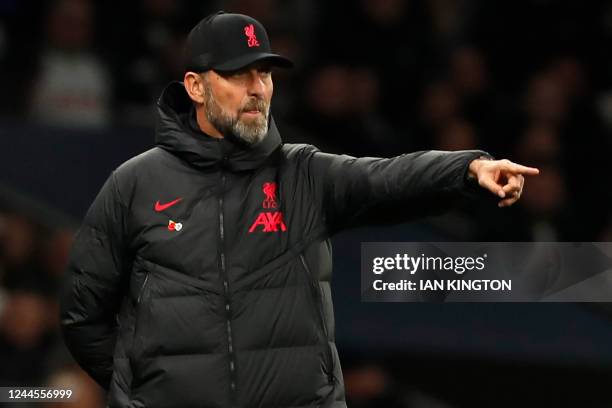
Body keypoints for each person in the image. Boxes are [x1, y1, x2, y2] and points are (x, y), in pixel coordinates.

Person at [59, 11, 539, 408]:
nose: (258, 88)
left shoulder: (304, 174)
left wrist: (468, 169)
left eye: (264, 73)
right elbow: (83, 316)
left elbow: (388, 178)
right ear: (196, 87)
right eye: (237, 73)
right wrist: (141, 390)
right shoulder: (135, 184)